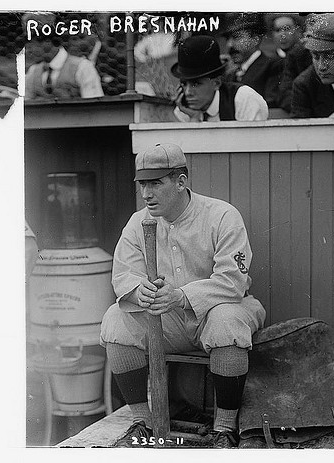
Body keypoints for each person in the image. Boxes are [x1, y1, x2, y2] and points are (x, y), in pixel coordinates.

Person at [100, 143, 266, 448]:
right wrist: (142, 291)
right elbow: (123, 276)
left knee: (226, 321)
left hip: (222, 309)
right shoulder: (138, 222)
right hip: (169, 320)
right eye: (143, 184)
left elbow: (233, 281)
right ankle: (142, 422)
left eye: (156, 183)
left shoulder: (221, 215)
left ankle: (225, 429)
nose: (147, 193)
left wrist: (180, 296)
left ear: (181, 181)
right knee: (115, 319)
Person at [171, 35, 268, 122]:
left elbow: (252, 141)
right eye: (184, 84)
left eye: (196, 84)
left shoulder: (243, 99)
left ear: (216, 83)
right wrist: (194, 119)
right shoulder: (184, 109)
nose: (188, 92)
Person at [23, 13, 104, 100]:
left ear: (47, 42)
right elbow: (26, 109)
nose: (28, 50)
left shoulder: (83, 67)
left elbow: (95, 108)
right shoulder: (33, 72)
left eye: (31, 44)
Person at [222, 14, 280, 103]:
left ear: (255, 39)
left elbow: (271, 103)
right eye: (227, 39)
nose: (229, 44)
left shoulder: (273, 66)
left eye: (236, 37)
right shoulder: (231, 74)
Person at [265, 13, 307, 111]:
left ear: (299, 31)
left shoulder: (307, 59)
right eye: (277, 30)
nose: (282, 34)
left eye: (287, 29)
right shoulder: (267, 62)